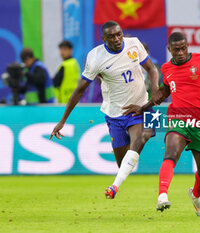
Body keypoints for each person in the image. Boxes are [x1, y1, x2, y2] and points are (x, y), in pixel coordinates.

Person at [123, 32, 200, 216]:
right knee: (171, 153)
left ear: (187, 46)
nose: (180, 52)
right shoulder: (167, 68)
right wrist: (143, 107)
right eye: (176, 49)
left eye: (183, 48)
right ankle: (162, 195)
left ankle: (195, 195)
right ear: (169, 49)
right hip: (178, 117)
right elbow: (164, 93)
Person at [49, 21, 160, 199]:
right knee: (123, 163)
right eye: (112, 36)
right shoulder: (96, 58)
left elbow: (152, 69)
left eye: (119, 34)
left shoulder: (134, 44)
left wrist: (155, 89)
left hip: (141, 106)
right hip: (115, 112)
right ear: (103, 38)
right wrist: (62, 121)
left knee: (140, 138)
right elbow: (79, 90)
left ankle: (114, 187)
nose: (117, 39)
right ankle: (126, 163)